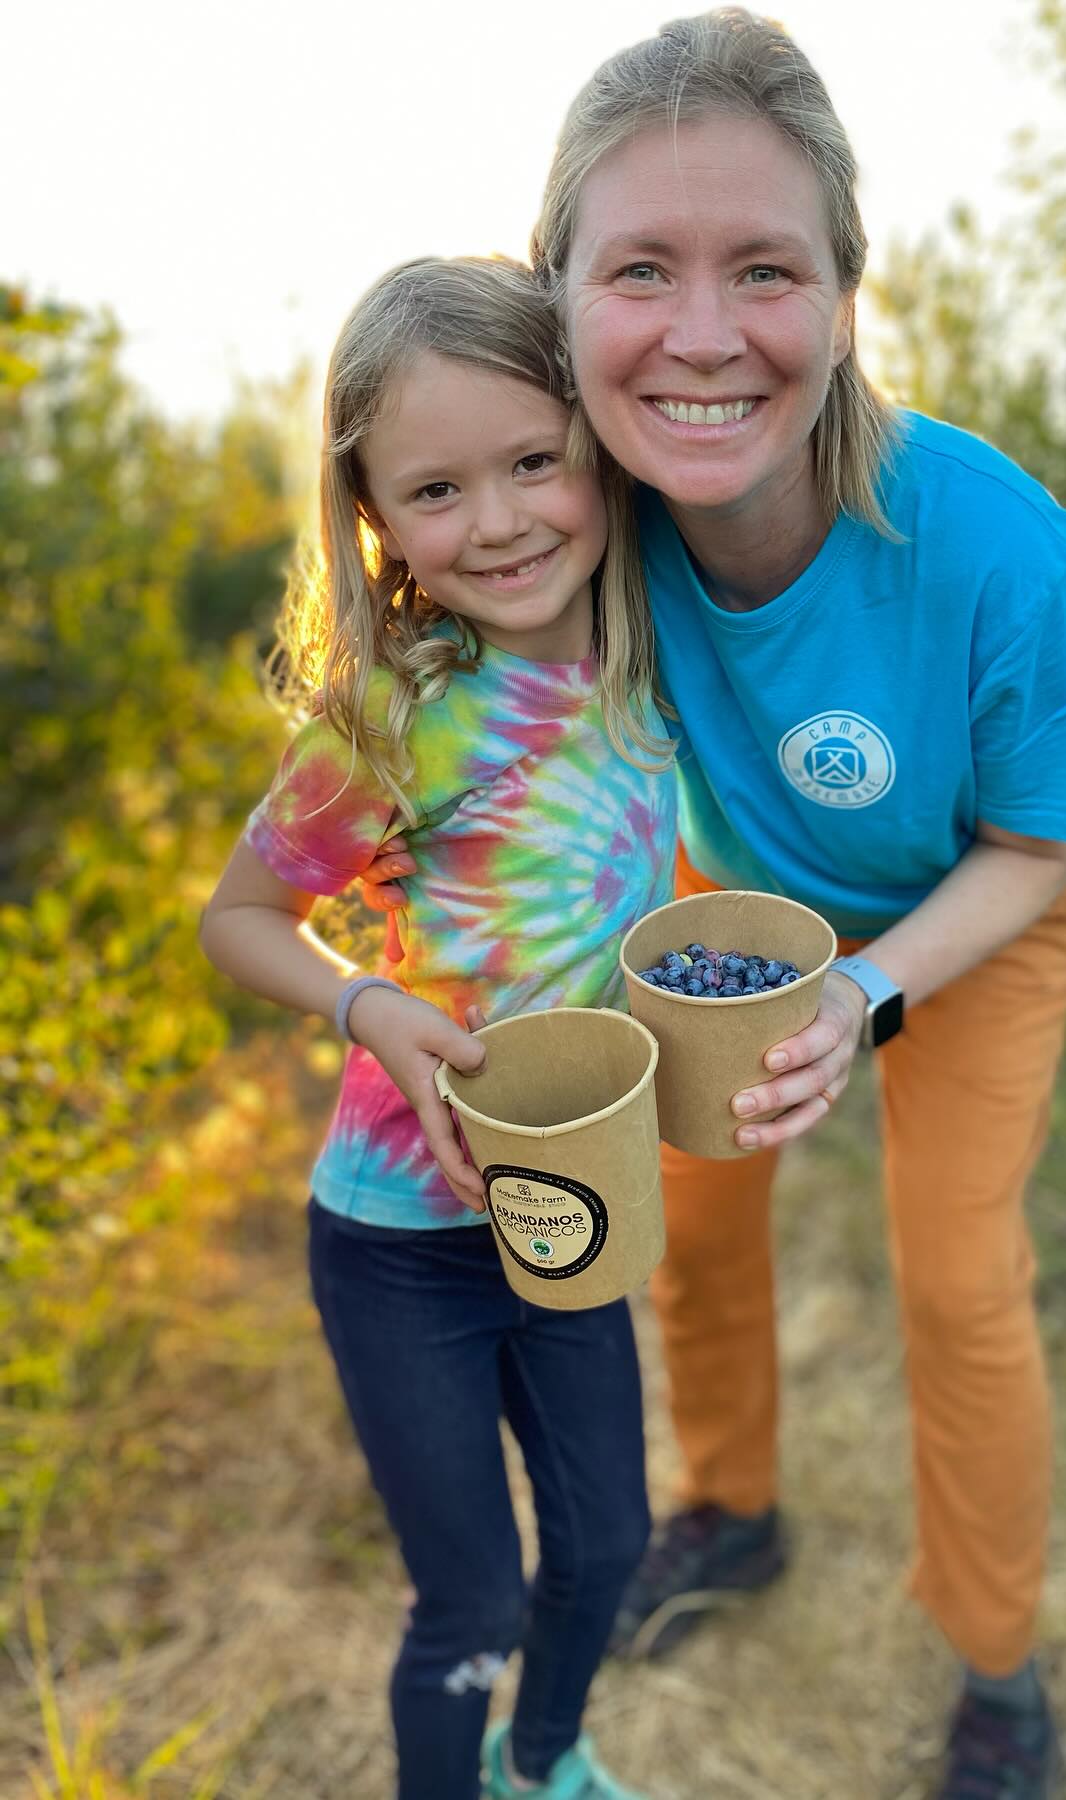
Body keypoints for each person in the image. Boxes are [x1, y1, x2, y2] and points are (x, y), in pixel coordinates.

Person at [360, 14, 1066, 1795]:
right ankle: (731, 1505)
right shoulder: (575, 517)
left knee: (957, 1278)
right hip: (730, 896)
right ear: (556, 299)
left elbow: (1044, 845)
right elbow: (454, 690)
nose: (703, 334)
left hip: (980, 908)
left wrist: (865, 995)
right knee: (689, 1229)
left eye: (766, 270)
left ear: (849, 295)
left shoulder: (997, 549)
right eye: (640, 268)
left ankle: (1000, 1668)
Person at [200, 255, 674, 1800]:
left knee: (609, 1537)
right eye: (437, 490)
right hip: (402, 1236)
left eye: (536, 461)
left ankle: (544, 1757)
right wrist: (369, 998)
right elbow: (241, 917)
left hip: (566, 1207)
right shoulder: (403, 717)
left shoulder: (660, 655)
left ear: (599, 442)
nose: (500, 520)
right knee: (468, 1600)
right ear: (375, 521)